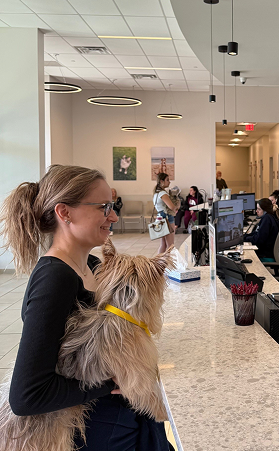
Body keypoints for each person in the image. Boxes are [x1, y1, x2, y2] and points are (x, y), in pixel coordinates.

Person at [0, 165, 172, 450]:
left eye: (113, 206)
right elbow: (26, 396)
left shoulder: (92, 266)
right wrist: (109, 383)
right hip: (92, 428)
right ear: (64, 212)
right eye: (104, 207)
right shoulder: (54, 278)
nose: (113, 216)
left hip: (119, 417)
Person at [152, 173, 176, 254]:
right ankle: (170, 265)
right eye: (167, 180)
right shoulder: (163, 193)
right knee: (170, 245)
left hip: (159, 217)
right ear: (161, 181)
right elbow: (172, 207)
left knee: (163, 244)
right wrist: (177, 206)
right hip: (167, 218)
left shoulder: (156, 193)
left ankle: (159, 264)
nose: (169, 182)